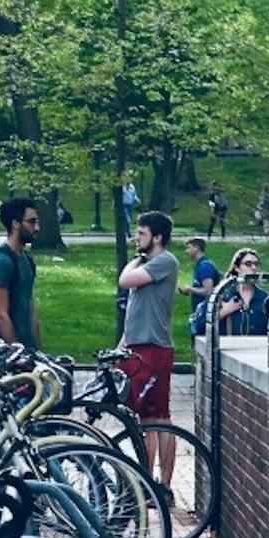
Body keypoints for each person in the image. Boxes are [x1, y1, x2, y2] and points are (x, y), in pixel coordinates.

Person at [120, 211, 180, 498]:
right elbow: (135, 309)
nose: (136, 237)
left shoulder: (165, 262)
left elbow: (125, 280)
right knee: (145, 418)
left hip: (154, 349)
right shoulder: (150, 263)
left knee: (159, 418)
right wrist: (122, 345)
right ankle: (147, 482)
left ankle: (164, 486)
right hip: (136, 347)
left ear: (157, 237)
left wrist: (137, 258)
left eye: (141, 233)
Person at [0, 196, 41, 351]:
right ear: (16, 224)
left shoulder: (27, 259)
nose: (37, 228)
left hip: (27, 352)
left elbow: (30, 308)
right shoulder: (0, 262)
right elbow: (0, 315)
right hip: (5, 355)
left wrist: (38, 352)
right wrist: (16, 353)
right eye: (31, 222)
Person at [216, 249, 269, 336]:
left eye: (256, 264)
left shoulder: (265, 298)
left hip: (258, 347)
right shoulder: (222, 295)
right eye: (248, 264)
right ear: (237, 268)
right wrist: (224, 312)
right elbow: (201, 325)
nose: (254, 268)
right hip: (227, 347)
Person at [180, 236, 220, 336]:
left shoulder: (204, 266)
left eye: (189, 248)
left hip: (205, 312)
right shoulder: (199, 265)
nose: (187, 251)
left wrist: (190, 289)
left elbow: (208, 291)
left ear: (196, 248)